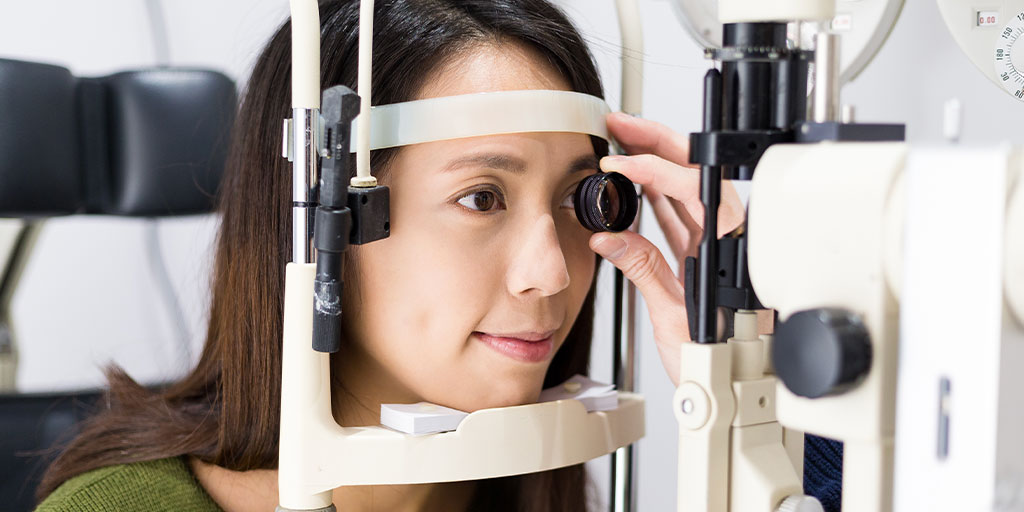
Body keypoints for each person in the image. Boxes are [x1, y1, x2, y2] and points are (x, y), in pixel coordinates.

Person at [33, 0, 762, 511]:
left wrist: (753, 389)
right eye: (482, 197)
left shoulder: (529, 484)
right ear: (327, 223)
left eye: (582, 201)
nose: (553, 272)